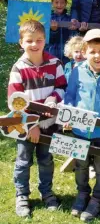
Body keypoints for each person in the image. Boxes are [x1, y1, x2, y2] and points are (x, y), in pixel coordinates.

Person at [8, 20, 67, 218]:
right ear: (21, 42)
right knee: (23, 161)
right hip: (26, 126)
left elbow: (62, 87)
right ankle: (22, 195)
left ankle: (47, 192)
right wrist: (31, 125)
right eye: (30, 40)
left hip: (49, 124)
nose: (35, 44)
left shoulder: (55, 63)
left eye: (39, 40)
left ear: (45, 40)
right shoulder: (18, 69)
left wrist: (54, 98)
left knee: (46, 159)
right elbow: (15, 103)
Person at [64, 29, 100, 221]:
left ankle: (97, 199)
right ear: (85, 51)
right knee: (80, 166)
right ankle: (82, 194)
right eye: (92, 51)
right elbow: (70, 96)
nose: (97, 55)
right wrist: (69, 115)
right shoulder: (77, 71)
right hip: (80, 131)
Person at [45, 0, 75, 64]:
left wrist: (73, 29)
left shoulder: (70, 19)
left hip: (66, 54)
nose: (59, 5)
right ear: (52, 3)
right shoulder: (48, 18)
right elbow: (46, 38)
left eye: (62, 2)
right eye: (56, 2)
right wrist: (53, 31)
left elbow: (73, 36)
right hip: (51, 53)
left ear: (66, 4)